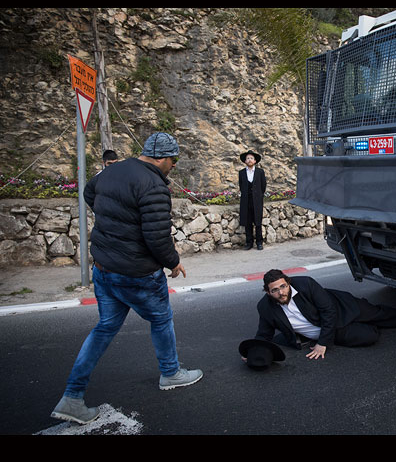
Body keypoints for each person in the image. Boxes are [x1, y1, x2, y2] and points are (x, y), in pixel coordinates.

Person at [51, 132, 203, 425]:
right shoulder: (153, 185)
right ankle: (171, 373)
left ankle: (72, 396)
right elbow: (157, 237)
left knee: (105, 327)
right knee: (161, 319)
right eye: (173, 160)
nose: (173, 166)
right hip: (137, 273)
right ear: (161, 158)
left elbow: (89, 193)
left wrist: (113, 219)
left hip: (104, 269)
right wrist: (173, 262)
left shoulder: (112, 171)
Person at [250, 269, 396, 361]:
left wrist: (322, 344)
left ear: (288, 283)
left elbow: (328, 310)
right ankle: (366, 326)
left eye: (284, 286)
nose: (282, 292)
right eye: (275, 290)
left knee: (375, 313)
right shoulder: (265, 308)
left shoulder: (306, 284)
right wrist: (253, 350)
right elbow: (264, 333)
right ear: (268, 292)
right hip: (330, 330)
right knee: (368, 336)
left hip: (341, 308)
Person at [238, 150, 266, 250]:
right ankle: (249, 243)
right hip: (246, 200)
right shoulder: (241, 173)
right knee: (248, 222)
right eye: (248, 158)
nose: (249, 160)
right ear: (245, 161)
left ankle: (259, 242)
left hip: (257, 200)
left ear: (255, 161)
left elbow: (263, 186)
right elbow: (241, 186)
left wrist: (258, 196)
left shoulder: (260, 172)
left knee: (258, 221)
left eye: (251, 158)